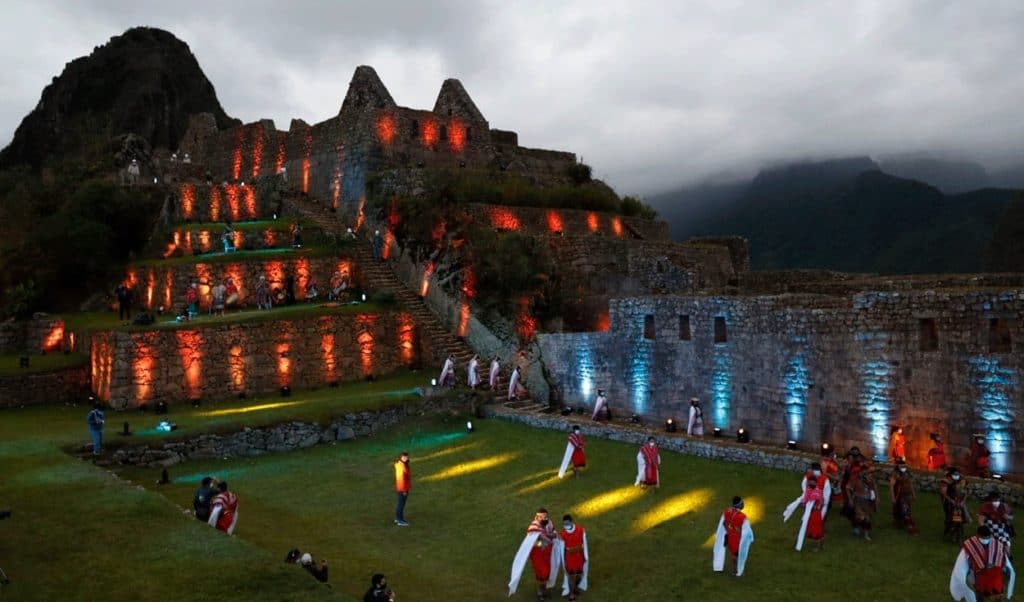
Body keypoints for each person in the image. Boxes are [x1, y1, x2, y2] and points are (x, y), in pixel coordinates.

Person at [950, 526, 1016, 602]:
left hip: (995, 576)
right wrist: (961, 576)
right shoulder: (970, 545)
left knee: (997, 597)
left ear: (990, 536)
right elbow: (961, 562)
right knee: (980, 595)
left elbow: (1004, 559)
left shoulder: (997, 545)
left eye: (987, 537)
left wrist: (1008, 570)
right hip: (979, 576)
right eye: (983, 537)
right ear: (977, 536)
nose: (985, 539)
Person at [508, 509, 560, 599]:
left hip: (548, 551)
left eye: (546, 516)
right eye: (542, 517)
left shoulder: (549, 523)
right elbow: (540, 536)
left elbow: (554, 533)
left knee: (548, 571)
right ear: (537, 517)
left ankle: (545, 590)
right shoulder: (534, 525)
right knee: (541, 573)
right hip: (537, 552)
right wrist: (549, 538)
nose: (545, 518)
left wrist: (550, 537)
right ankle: (541, 592)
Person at [783, 464, 830, 551]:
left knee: (818, 528)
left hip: (817, 510)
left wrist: (821, 504)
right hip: (810, 509)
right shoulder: (808, 479)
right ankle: (799, 540)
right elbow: (805, 491)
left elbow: (825, 497)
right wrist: (804, 501)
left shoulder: (823, 482)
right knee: (804, 523)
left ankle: (818, 545)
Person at [714, 496, 755, 576]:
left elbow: (724, 523)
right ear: (739, 505)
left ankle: (734, 570)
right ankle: (739, 570)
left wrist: (729, 530)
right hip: (737, 538)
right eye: (742, 503)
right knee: (740, 554)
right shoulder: (742, 517)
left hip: (730, 537)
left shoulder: (727, 511)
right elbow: (747, 531)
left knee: (733, 554)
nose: (743, 504)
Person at [559, 514, 589, 600]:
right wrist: (564, 560)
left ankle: (575, 588)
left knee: (579, 575)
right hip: (570, 558)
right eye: (564, 524)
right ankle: (571, 594)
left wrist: (584, 556)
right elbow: (562, 548)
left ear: (571, 522)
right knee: (571, 577)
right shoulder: (563, 534)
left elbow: (584, 543)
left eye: (567, 523)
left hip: (579, 557)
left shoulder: (580, 530)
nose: (566, 526)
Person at [845, 462, 877, 541]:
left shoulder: (870, 478)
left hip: (868, 500)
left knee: (867, 518)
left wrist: (876, 498)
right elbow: (848, 487)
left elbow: (873, 488)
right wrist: (850, 499)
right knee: (860, 517)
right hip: (858, 500)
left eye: (866, 470)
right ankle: (856, 526)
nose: (865, 472)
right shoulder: (855, 478)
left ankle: (866, 534)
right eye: (863, 470)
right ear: (861, 471)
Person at [941, 468, 973, 541]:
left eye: (957, 474)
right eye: (955, 474)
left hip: (960, 501)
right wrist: (951, 501)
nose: (956, 476)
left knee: (962, 516)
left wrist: (963, 501)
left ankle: (959, 531)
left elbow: (967, 491)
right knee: (949, 516)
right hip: (949, 501)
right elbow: (943, 492)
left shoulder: (963, 480)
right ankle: (949, 529)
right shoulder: (946, 480)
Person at [890, 460, 918, 535]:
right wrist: (893, 497)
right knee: (902, 509)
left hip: (906, 495)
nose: (903, 468)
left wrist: (913, 494)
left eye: (904, 466)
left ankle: (906, 522)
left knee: (907, 509)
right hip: (899, 495)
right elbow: (892, 486)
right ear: (898, 466)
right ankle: (907, 524)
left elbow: (910, 484)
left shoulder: (907, 473)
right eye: (902, 466)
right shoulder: (895, 474)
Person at [394, 451, 410, 527]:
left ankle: (399, 518)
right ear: (401, 458)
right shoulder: (401, 466)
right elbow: (401, 479)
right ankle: (400, 520)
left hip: (403, 488)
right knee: (401, 504)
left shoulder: (402, 464)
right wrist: (404, 490)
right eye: (405, 457)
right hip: (403, 489)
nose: (407, 458)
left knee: (401, 504)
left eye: (407, 457)